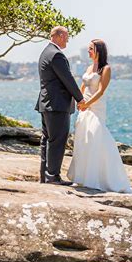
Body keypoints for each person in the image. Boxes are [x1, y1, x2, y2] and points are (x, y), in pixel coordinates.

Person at [67, 39, 132, 193]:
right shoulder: (89, 67)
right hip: (84, 107)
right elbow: (82, 87)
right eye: (89, 48)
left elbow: (101, 91)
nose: (89, 51)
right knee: (83, 138)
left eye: (91, 49)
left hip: (96, 107)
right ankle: (83, 177)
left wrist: (87, 103)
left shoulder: (106, 69)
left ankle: (104, 177)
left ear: (99, 50)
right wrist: (79, 100)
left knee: (97, 136)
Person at [35, 26, 86, 185]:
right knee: (57, 140)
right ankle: (53, 176)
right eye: (67, 37)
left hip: (46, 103)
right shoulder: (56, 55)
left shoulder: (45, 52)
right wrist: (80, 99)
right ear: (59, 36)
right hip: (56, 105)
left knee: (47, 140)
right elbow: (67, 79)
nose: (68, 40)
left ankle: (45, 175)